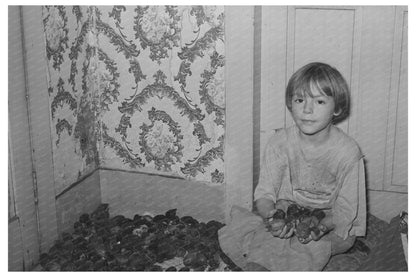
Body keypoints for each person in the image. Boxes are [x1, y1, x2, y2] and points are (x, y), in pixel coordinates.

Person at [218, 62, 366, 271]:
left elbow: (346, 210)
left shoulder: (348, 152)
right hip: (287, 210)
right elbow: (265, 192)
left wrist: (321, 226)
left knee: (314, 245)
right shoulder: (279, 142)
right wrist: (272, 218)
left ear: (338, 108)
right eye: (299, 99)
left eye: (320, 101)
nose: (307, 109)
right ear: (290, 104)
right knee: (266, 236)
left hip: (330, 220)